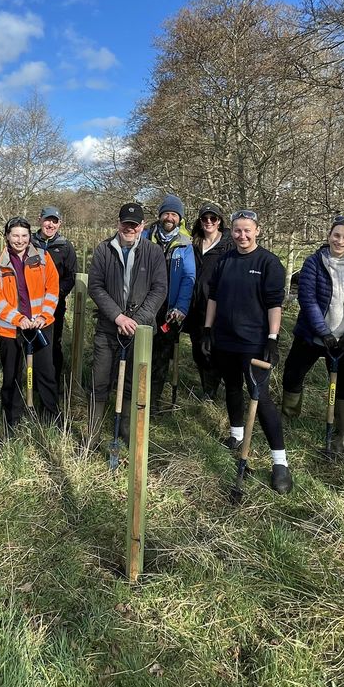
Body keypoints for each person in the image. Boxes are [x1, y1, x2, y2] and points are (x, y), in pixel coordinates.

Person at [202, 210, 291, 494]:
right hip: (225, 338)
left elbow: (274, 304)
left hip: (253, 341)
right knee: (231, 387)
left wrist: (272, 338)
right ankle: (236, 435)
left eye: (247, 230)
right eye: (237, 231)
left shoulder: (268, 262)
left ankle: (280, 462)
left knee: (260, 398)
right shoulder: (225, 260)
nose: (242, 235)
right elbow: (213, 296)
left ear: (257, 231)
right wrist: (207, 329)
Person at [280, 214, 344, 458]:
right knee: (293, 373)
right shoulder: (314, 262)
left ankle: (341, 434)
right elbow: (307, 299)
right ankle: (288, 417)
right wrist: (323, 332)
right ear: (329, 236)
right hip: (313, 334)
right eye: (337, 235)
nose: (340, 241)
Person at [86, 202, 167, 444]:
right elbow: (95, 287)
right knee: (99, 380)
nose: (129, 228)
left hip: (140, 331)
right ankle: (93, 433)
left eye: (134, 224)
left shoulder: (154, 253)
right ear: (118, 223)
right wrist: (118, 317)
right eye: (125, 224)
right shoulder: (103, 250)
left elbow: (159, 289)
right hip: (108, 328)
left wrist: (135, 321)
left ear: (142, 226)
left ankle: (127, 433)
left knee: (133, 383)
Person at [0, 217, 61, 430]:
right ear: (7, 236)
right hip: (10, 329)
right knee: (12, 375)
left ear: (30, 237)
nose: (20, 240)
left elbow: (53, 289)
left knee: (46, 372)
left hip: (40, 326)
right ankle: (12, 420)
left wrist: (42, 317)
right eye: (15, 235)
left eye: (24, 235)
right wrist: (18, 319)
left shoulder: (44, 258)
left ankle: (52, 417)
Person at [142, 194, 196, 412]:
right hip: (145, 306)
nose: (169, 217)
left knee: (161, 357)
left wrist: (181, 307)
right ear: (160, 215)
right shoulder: (144, 237)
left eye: (174, 214)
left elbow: (188, 277)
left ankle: (152, 401)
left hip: (169, 310)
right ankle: (134, 396)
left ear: (179, 218)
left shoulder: (185, 244)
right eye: (166, 213)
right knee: (141, 353)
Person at [186, 202, 233, 400]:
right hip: (195, 306)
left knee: (214, 349)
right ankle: (208, 390)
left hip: (218, 306)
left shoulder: (228, 245)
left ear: (219, 221)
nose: (208, 222)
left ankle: (216, 389)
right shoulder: (193, 244)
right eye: (204, 218)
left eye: (212, 218)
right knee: (198, 349)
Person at [31, 206, 78, 392]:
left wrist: (56, 294)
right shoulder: (29, 243)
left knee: (53, 342)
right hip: (30, 305)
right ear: (40, 219)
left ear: (60, 224)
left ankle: (53, 382)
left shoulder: (65, 247)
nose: (50, 224)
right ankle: (31, 382)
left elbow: (71, 276)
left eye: (55, 221)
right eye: (47, 220)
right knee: (31, 341)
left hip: (54, 305)